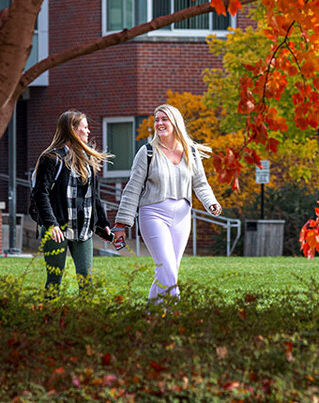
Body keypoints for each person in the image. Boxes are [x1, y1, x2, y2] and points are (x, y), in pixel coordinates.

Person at [114, 104, 222, 301]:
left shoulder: (191, 152)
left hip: (182, 217)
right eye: (157, 120)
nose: (159, 123)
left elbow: (200, 183)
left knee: (169, 271)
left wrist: (211, 203)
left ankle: (153, 314)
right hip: (153, 215)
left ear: (175, 123)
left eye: (164, 119)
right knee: (167, 268)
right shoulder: (147, 152)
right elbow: (132, 189)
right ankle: (175, 311)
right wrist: (121, 224)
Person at [31, 110, 115, 294]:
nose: (88, 131)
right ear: (72, 130)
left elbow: (94, 195)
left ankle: (86, 312)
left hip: (82, 229)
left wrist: (103, 223)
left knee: (86, 278)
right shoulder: (51, 159)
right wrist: (51, 224)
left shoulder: (88, 159)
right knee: (54, 279)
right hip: (57, 229)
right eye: (85, 127)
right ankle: (49, 311)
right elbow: (40, 194)